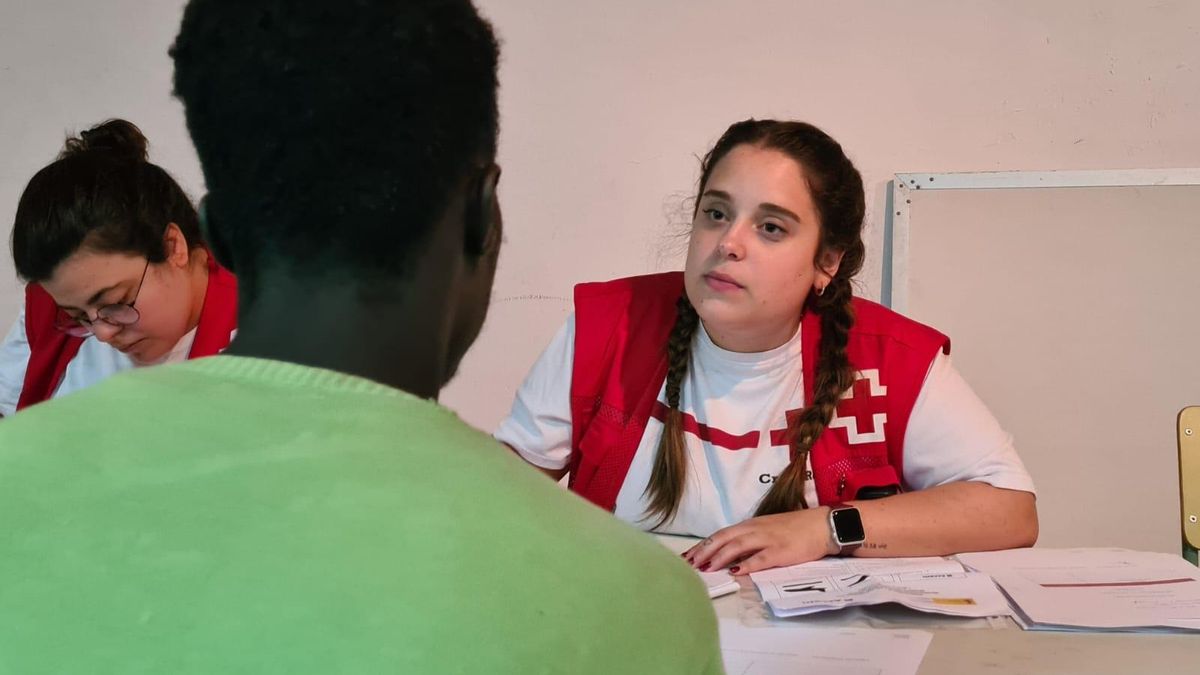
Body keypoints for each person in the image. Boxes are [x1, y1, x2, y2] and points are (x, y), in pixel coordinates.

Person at [0, 1, 722, 672]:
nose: (98, 330)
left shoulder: (17, 487)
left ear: (211, 234)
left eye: (111, 303)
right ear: (483, 219)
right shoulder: (638, 605)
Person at [497, 119, 1039, 575]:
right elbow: (499, 495)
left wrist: (826, 529)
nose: (729, 243)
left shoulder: (890, 357)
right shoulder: (608, 327)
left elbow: (1010, 511)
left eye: (772, 228)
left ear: (827, 261)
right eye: (716, 213)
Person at [0, 118, 237, 418]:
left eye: (116, 303)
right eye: (77, 317)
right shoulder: (52, 305)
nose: (102, 333)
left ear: (172, 246)